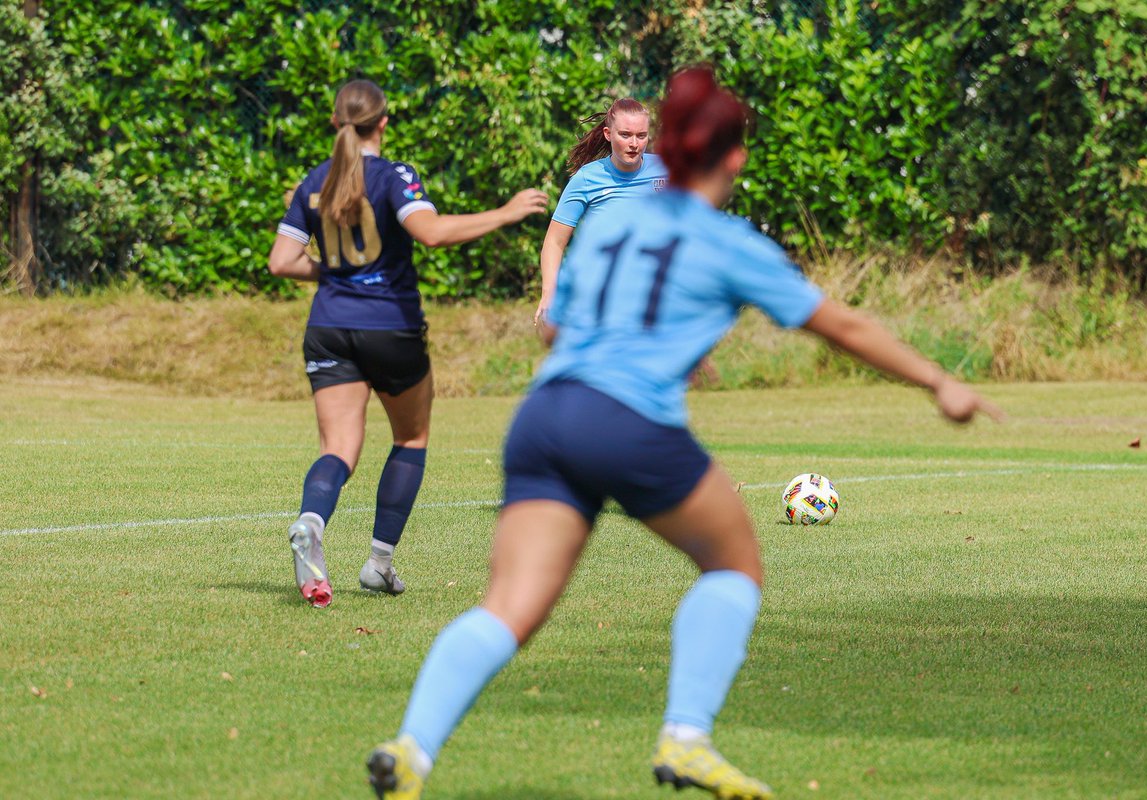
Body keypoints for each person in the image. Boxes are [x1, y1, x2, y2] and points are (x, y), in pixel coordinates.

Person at [364, 67, 1001, 799]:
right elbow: (843, 327)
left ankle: (411, 750)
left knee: (508, 606)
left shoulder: (614, 222)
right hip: (625, 420)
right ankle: (687, 737)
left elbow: (562, 331)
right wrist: (938, 381)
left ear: (667, 147)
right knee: (734, 565)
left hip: (544, 416)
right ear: (733, 158)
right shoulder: (726, 241)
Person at [267, 79, 547, 608]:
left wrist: (338, 273)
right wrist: (507, 212)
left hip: (329, 327)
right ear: (384, 123)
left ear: (336, 123)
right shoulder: (394, 176)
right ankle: (378, 564)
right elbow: (432, 232)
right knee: (411, 439)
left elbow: (281, 261)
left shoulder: (315, 180)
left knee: (338, 449)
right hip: (390, 327)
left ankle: (311, 521)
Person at [535, 97, 667, 325]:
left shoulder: (666, 171)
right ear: (608, 134)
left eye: (641, 136)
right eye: (625, 135)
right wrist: (549, 293)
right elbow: (555, 241)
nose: (634, 144)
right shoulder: (587, 178)